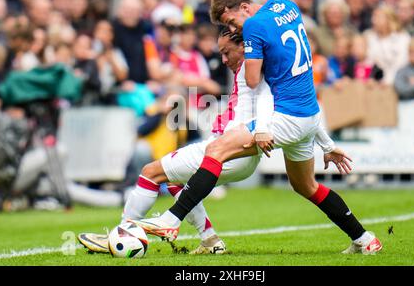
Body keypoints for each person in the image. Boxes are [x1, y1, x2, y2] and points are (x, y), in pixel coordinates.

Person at [133, 0, 382, 255]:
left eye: (230, 21)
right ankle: (365, 238)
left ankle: (171, 220)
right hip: (309, 116)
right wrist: (327, 143)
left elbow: (254, 81)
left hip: (286, 118)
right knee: (305, 186)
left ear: (243, 7)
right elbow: (296, 78)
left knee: (216, 150)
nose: (234, 29)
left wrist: (262, 127)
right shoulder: (287, 6)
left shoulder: (253, 27)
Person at [78, 27, 342, 255]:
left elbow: (268, 101)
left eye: (228, 52)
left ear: (245, 47)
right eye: (221, 53)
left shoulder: (255, 73)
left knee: (150, 173)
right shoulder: (256, 72)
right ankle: (210, 240)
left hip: (227, 150)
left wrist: (263, 129)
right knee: (174, 180)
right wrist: (326, 144)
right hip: (236, 152)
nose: (224, 59)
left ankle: (122, 233)